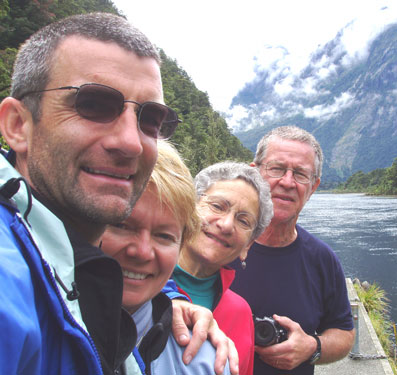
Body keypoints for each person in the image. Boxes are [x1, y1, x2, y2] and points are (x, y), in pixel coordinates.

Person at [0, 12, 234, 375]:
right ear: (18, 124)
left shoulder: (84, 282)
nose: (131, 143)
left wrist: (165, 299)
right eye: (92, 105)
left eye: (151, 120)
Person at [230, 125, 355, 375]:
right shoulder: (219, 243)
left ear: (313, 186)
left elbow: (344, 332)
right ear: (254, 174)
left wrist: (312, 347)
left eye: (300, 174)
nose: (287, 182)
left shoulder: (322, 260)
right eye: (276, 168)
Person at [100, 140, 230, 375]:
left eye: (163, 236)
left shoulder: (205, 362)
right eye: (122, 225)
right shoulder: (35, 323)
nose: (142, 251)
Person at [170, 161, 273, 375]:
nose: (226, 225)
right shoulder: (141, 278)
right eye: (217, 206)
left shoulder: (240, 312)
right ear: (188, 207)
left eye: (243, 221)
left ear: (248, 246)